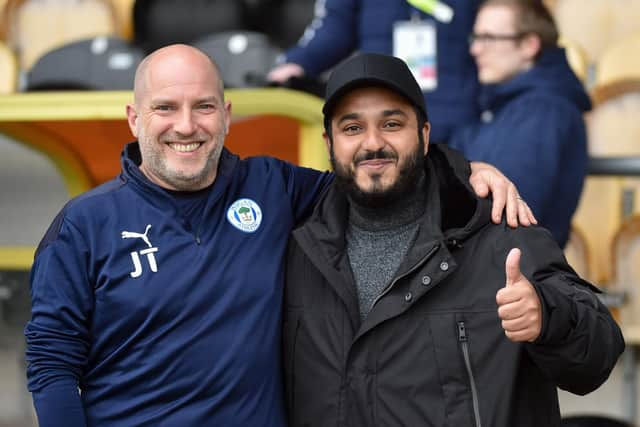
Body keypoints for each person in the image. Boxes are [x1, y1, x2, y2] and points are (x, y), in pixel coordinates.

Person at [24, 44, 532, 427]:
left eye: (203, 107)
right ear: (135, 119)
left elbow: (375, 174)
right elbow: (51, 366)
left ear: (226, 116)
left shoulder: (272, 187)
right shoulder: (83, 226)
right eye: (165, 108)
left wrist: (462, 169)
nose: (186, 126)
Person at [282, 52, 624, 427]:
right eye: (352, 128)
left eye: (392, 124)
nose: (373, 143)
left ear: (424, 135)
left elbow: (598, 355)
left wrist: (548, 315)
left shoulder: (494, 227)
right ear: (329, 142)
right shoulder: (295, 247)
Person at [449, 0, 590, 248]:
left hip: (511, 273)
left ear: (528, 45)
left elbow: (507, 216)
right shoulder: (497, 107)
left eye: (489, 38)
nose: (476, 49)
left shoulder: (544, 112)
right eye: (475, 37)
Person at [267, 0, 481, 143]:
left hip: (461, 119)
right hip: (381, 112)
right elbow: (335, 28)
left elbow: (500, 32)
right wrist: (297, 63)